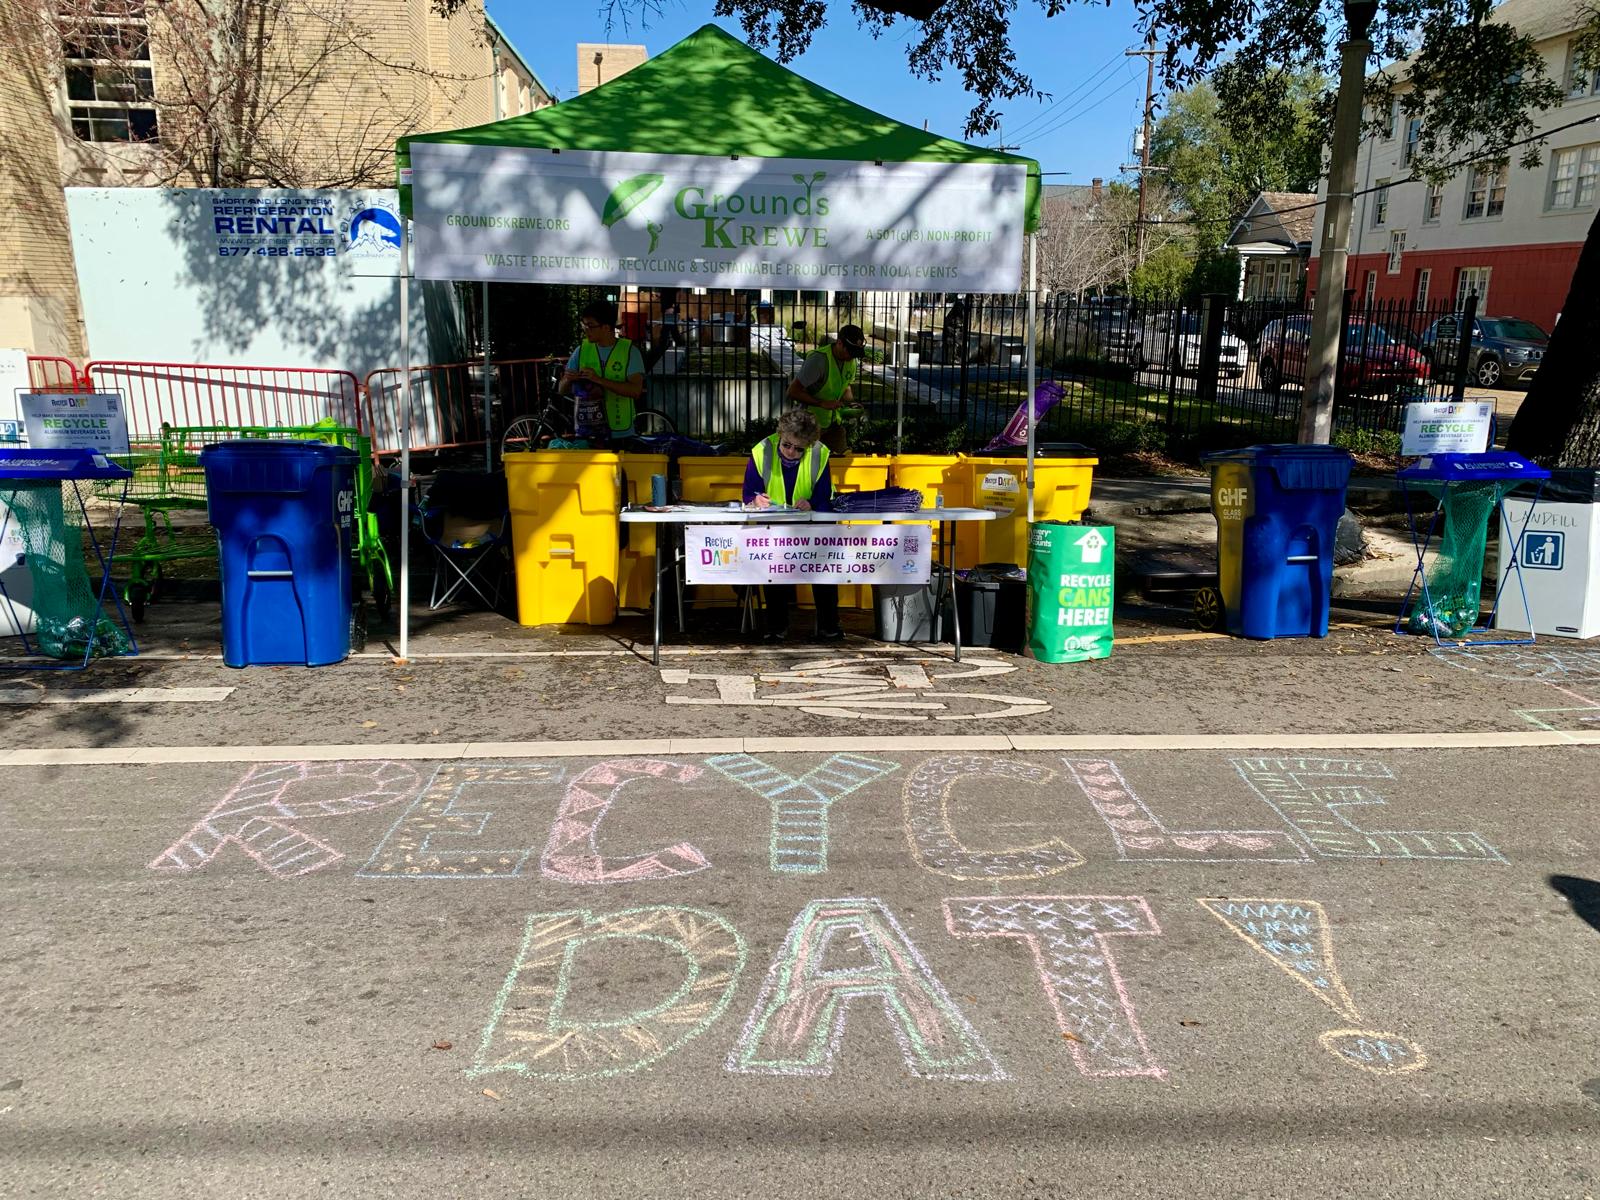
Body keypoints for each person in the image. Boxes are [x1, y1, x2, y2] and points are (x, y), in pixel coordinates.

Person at [743, 408, 841, 642]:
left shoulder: (820, 453)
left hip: (813, 522)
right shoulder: (761, 451)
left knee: (824, 572)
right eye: (786, 445)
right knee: (774, 572)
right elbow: (748, 493)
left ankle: (830, 626)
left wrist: (813, 503)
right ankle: (777, 628)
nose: (791, 452)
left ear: (808, 445)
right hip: (775, 524)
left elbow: (825, 494)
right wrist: (756, 500)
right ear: (780, 436)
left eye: (799, 449)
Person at [559, 300, 644, 445]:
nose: (586, 330)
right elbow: (561, 390)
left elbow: (635, 391)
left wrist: (598, 379)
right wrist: (568, 379)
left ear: (606, 327)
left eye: (591, 326)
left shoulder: (629, 351)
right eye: (584, 325)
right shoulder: (581, 350)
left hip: (620, 432)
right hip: (588, 433)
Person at [786, 323, 865, 455]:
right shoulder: (818, 360)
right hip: (808, 425)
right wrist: (821, 403)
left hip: (834, 423)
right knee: (806, 464)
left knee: (841, 461)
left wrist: (851, 404)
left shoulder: (852, 361)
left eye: (855, 353)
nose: (852, 356)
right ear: (839, 343)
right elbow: (792, 391)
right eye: (850, 351)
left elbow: (846, 386)